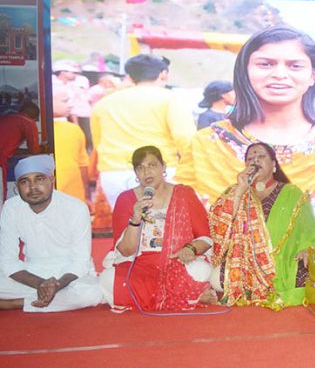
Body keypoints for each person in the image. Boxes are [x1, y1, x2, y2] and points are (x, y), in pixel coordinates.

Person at [183, 26, 315, 221]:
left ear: (313, 75)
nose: (279, 74)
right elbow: (183, 222)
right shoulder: (209, 144)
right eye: (266, 64)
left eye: (295, 65)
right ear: (245, 71)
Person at [208, 142, 315, 309]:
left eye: (261, 157)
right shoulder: (236, 191)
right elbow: (220, 225)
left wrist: (308, 249)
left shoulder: (292, 192)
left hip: (283, 259)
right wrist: (240, 189)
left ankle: (265, 290)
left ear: (274, 165)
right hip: (246, 262)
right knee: (217, 277)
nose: (255, 161)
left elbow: (308, 230)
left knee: (303, 272)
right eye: (250, 159)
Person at [99, 146, 214, 311]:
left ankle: (173, 296)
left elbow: (206, 237)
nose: (147, 172)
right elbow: (126, 250)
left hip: (178, 261)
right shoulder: (126, 199)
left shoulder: (184, 194)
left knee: (201, 270)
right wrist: (135, 218)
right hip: (141, 265)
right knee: (108, 279)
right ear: (136, 173)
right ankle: (188, 295)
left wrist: (190, 249)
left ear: (164, 166)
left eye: (152, 165)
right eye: (140, 168)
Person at [91, 54, 197, 208]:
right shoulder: (170, 99)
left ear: (131, 76)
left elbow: (98, 141)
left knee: (127, 226)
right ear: (162, 74)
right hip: (158, 170)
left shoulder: (104, 103)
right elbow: (185, 138)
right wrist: (190, 172)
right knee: (162, 227)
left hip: (114, 173)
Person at [0, 155, 103, 312]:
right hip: (31, 273)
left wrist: (57, 285)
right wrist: (40, 284)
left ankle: (18, 303)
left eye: (39, 179)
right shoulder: (11, 207)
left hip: (69, 275)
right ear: (17, 187)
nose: (32, 187)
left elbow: (80, 261)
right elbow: (8, 261)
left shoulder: (75, 208)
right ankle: (48, 297)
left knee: (92, 292)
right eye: (25, 181)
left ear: (52, 180)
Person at [52, 84, 90, 205]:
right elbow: (82, 164)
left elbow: (83, 165)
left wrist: (86, 196)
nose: (70, 105)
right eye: (65, 101)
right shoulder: (36, 132)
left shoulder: (74, 129)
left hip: (73, 196)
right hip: (72, 198)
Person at [0, 101, 40, 202]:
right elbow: (34, 149)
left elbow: (7, 144)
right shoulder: (28, 122)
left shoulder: (6, 118)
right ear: (34, 117)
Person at [52, 59, 93, 151]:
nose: (76, 75)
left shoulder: (73, 85)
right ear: (63, 72)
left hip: (71, 117)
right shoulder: (52, 84)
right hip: (57, 120)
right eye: (73, 73)